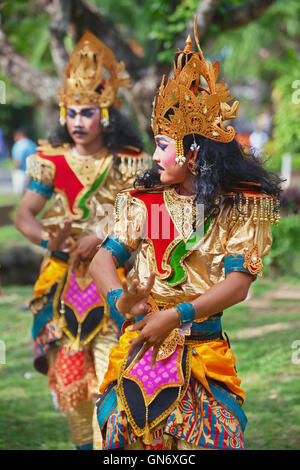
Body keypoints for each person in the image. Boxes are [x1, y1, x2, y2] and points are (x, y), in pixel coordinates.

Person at [89, 24, 282, 450]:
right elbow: (102, 260)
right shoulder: (146, 203)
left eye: (162, 144)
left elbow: (237, 286)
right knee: (120, 438)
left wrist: (174, 317)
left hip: (203, 353)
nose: (155, 156)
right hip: (140, 345)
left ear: (193, 152)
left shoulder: (242, 204)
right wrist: (119, 305)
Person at [14, 31, 150, 450]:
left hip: (113, 283)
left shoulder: (131, 164)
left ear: (105, 114)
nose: (77, 122)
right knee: (72, 386)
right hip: (62, 286)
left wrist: (102, 236)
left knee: (114, 378)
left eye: (87, 113)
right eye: (71, 113)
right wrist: (50, 242)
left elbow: (145, 217)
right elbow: (24, 216)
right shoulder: (49, 162)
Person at [11, 127, 36, 194]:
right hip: (32, 173)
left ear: (19, 134)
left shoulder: (18, 144)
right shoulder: (33, 144)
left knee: (21, 196)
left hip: (21, 173)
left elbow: (18, 162)